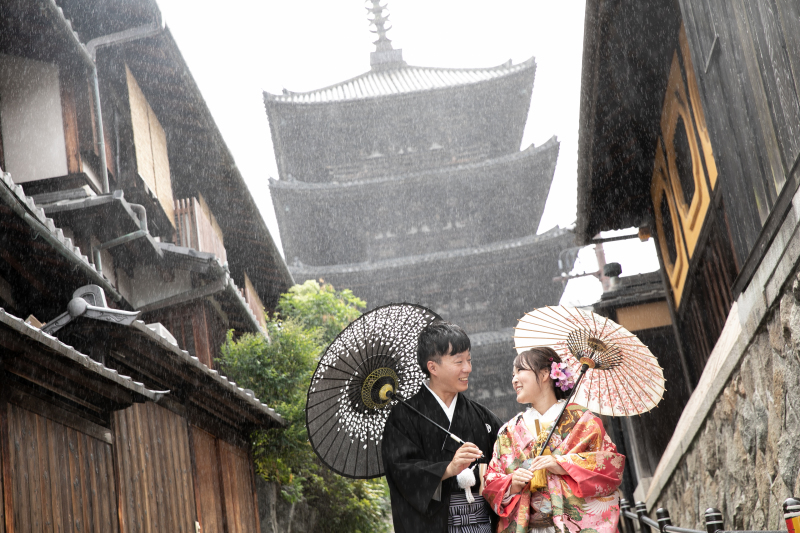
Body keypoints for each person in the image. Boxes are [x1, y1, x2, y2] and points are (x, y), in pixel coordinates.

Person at [482, 347, 625, 533]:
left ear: (544, 374)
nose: (514, 379)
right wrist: (513, 483)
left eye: (520, 371)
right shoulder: (509, 431)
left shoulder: (583, 422)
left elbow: (610, 468)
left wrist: (564, 465)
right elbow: (492, 481)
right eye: (512, 374)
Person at [382, 321, 504, 533]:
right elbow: (401, 471)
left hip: (481, 523)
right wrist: (448, 468)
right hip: (433, 525)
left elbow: (507, 459)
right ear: (433, 367)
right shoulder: (403, 417)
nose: (468, 368)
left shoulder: (482, 416)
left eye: (469, 360)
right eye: (458, 361)